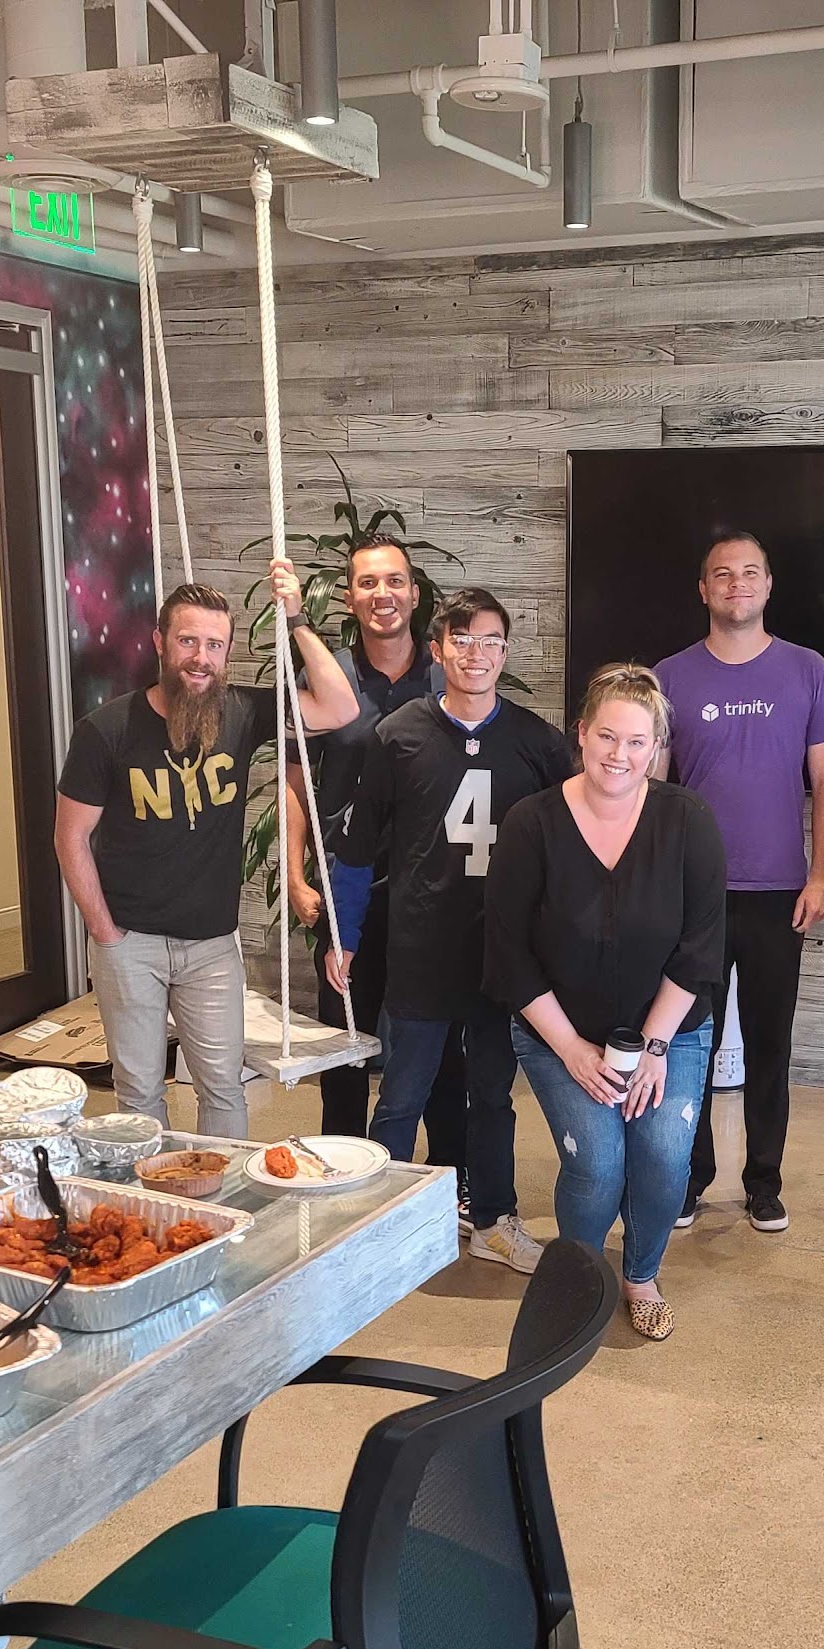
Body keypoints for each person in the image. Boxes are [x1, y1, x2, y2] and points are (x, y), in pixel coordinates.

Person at [55, 566, 359, 1135]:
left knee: (222, 1086)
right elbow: (70, 837)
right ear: (160, 643)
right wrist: (105, 933)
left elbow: (341, 707)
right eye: (188, 641)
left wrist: (295, 617)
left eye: (214, 645)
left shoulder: (242, 711)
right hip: (130, 943)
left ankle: (223, 1191)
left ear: (228, 652)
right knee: (139, 1091)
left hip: (212, 947)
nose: (200, 658)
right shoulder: (107, 730)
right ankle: (153, 1192)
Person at [327, 586, 571, 1275]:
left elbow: (576, 839)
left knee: (492, 1094)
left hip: (504, 954)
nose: (476, 653)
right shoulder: (398, 735)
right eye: (461, 640)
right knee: (402, 1093)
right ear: (437, 650)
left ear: (505, 652)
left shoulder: (536, 742)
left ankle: (492, 1219)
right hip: (421, 948)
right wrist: (345, 934)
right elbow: (356, 850)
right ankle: (379, 1225)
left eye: (490, 640)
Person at [486, 666, 727, 1342]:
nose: (620, 754)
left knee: (664, 1157)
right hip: (559, 1032)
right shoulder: (531, 823)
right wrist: (570, 1049)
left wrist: (654, 1046)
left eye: (637, 741)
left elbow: (701, 946)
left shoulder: (688, 819)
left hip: (672, 1032)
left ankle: (641, 1276)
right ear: (582, 734)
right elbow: (508, 953)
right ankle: (581, 1280)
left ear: (656, 749)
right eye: (607, 737)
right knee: (596, 1163)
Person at [657, 528, 824, 1234]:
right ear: (702, 589)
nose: (736, 584)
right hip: (693, 895)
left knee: (771, 1044)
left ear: (768, 585)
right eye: (722, 574)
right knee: (689, 1046)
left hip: (778, 893)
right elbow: (653, 790)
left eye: (750, 572)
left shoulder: (807, 670)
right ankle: (687, 1178)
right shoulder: (670, 676)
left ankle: (763, 1182)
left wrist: (821, 876)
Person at [277, 534, 468, 1199]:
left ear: (415, 594)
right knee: (344, 1047)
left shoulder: (447, 674)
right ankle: (343, 1178)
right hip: (347, 889)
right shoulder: (325, 675)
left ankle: (448, 1177)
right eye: (366, 583)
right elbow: (295, 779)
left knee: (441, 1046)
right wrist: (296, 873)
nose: (382, 594)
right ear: (348, 597)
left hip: (432, 892)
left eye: (394, 581)